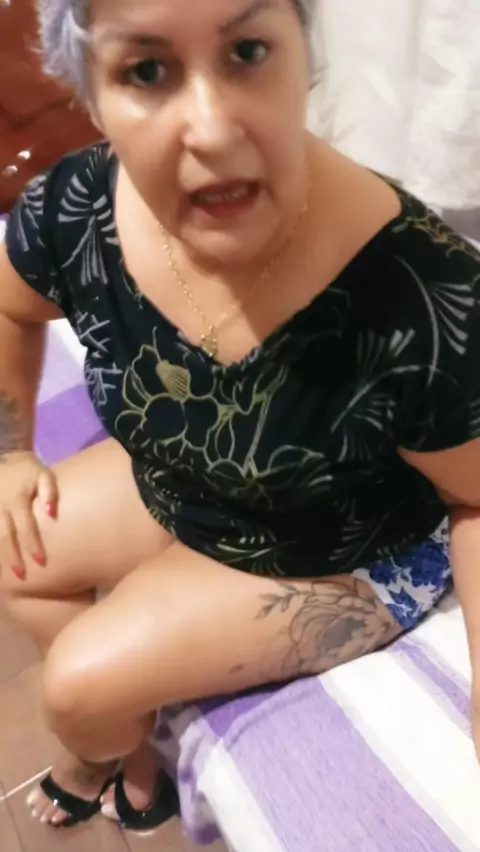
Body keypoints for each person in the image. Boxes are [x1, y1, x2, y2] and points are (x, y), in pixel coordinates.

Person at [1, 0, 480, 834]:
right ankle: (130, 743)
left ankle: (104, 748)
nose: (215, 131)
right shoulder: (76, 207)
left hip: (345, 545)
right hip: (186, 477)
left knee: (76, 687)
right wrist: (12, 452)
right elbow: (11, 306)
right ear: (93, 96)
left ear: (305, 52)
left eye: (248, 52)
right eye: (147, 70)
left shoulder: (418, 292)